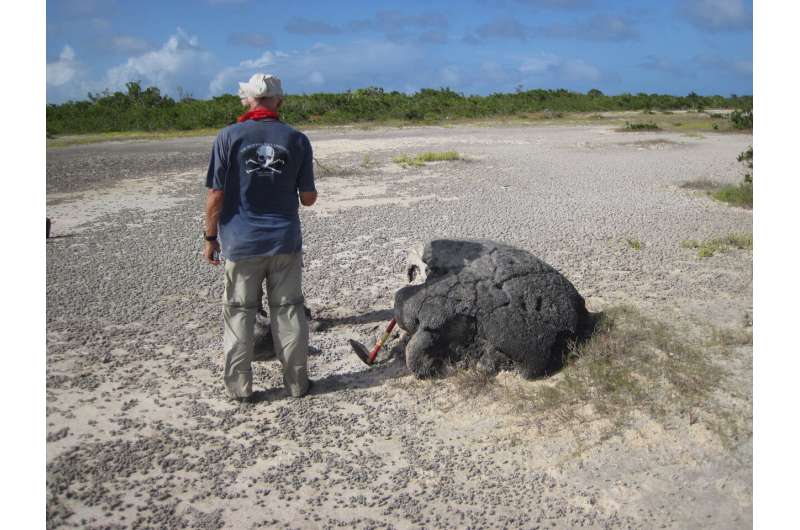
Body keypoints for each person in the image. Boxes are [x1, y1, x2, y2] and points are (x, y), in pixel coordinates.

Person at [203, 73, 317, 403]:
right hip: (284, 241)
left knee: (239, 313)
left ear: (247, 99)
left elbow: (215, 195)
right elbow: (308, 197)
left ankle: (239, 390)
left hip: (241, 243)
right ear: (279, 101)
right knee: (289, 311)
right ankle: (297, 384)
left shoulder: (228, 137)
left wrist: (210, 237)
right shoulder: (297, 139)